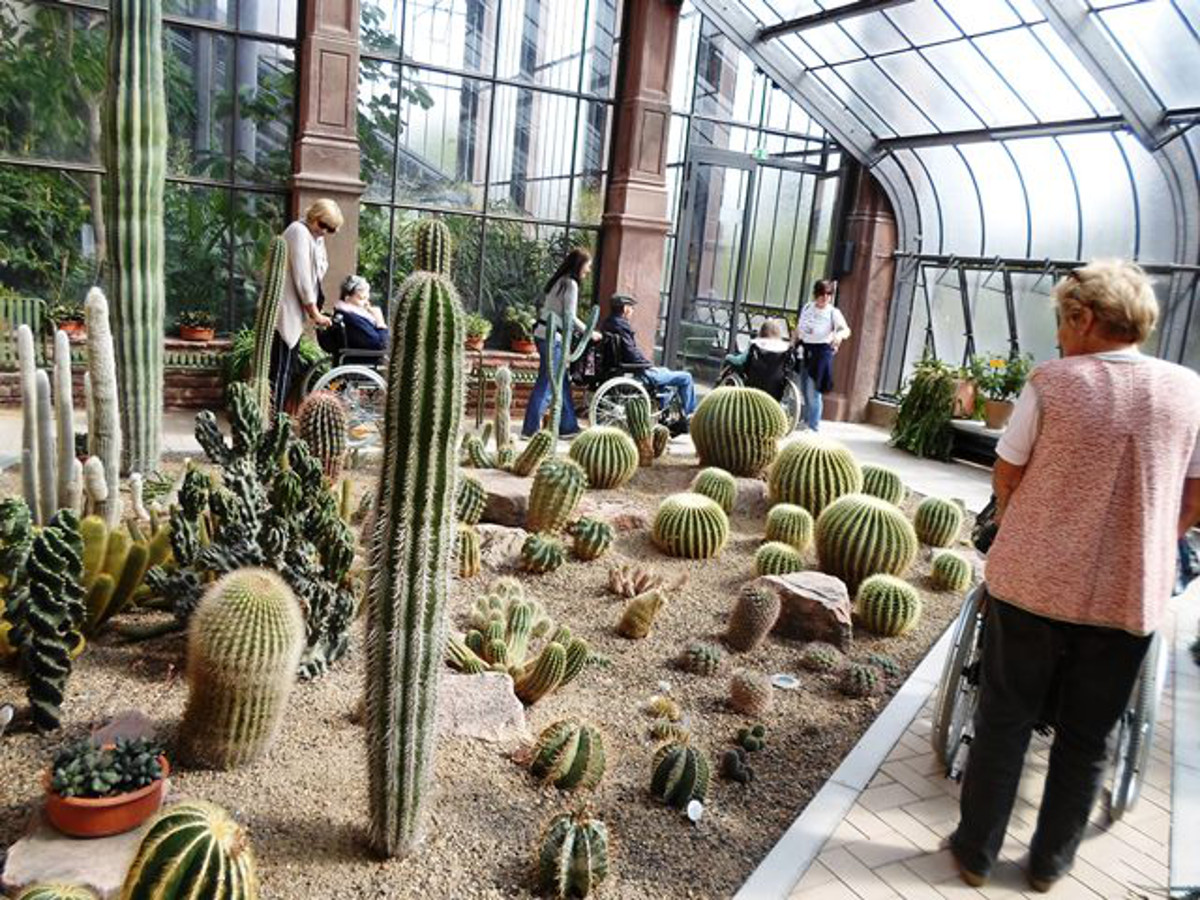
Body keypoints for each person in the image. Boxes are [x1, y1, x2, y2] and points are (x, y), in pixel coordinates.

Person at [949, 260, 1200, 893]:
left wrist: (1022, 523)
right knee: (1089, 738)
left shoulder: (1054, 383)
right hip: (1128, 596)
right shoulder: (1188, 391)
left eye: (1063, 321)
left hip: (1031, 587)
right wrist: (1148, 543)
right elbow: (1194, 495)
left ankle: (975, 854)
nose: (1060, 336)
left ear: (1084, 317)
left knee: (1005, 720)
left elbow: (1007, 471)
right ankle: (1049, 865)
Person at [271, 199, 340, 413]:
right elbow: (303, 279)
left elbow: (318, 271)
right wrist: (315, 313)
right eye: (323, 225)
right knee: (281, 370)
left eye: (331, 229)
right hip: (287, 311)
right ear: (314, 217)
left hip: (296, 312)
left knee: (287, 368)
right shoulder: (298, 232)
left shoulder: (314, 237)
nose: (325, 232)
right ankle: (274, 421)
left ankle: (277, 419)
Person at [521, 248, 598, 438]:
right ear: (579, 264)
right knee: (547, 383)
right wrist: (589, 332)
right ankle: (530, 430)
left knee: (561, 382)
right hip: (552, 337)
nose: (588, 271)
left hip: (543, 334)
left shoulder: (559, 281)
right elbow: (569, 317)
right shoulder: (570, 284)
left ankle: (568, 426)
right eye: (587, 266)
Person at [601, 294, 697, 420]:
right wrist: (646, 364)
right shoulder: (622, 326)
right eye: (631, 308)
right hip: (638, 372)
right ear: (625, 309)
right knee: (686, 377)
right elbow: (631, 352)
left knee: (665, 372)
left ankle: (665, 415)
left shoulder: (608, 323)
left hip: (622, 368)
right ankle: (689, 415)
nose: (632, 311)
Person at [792, 280, 850, 431]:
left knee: (814, 390)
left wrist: (838, 337)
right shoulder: (807, 307)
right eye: (821, 294)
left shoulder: (833, 313)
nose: (824, 297)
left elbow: (845, 330)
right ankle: (806, 420)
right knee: (803, 387)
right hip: (804, 350)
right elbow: (799, 328)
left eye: (828, 294)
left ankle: (813, 425)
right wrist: (793, 343)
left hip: (821, 352)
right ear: (815, 294)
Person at [725, 319, 794, 400]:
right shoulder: (785, 348)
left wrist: (728, 357)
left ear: (762, 331)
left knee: (731, 363)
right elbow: (790, 364)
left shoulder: (755, 344)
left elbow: (740, 361)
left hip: (753, 385)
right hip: (775, 389)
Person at [334, 275, 388, 363]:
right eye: (362, 298)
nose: (366, 303)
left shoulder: (348, 314)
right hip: (366, 362)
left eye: (367, 299)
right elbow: (380, 345)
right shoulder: (351, 318)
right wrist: (380, 323)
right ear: (347, 299)